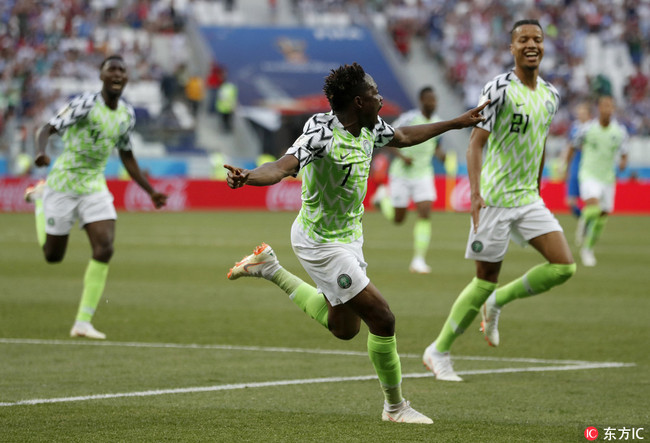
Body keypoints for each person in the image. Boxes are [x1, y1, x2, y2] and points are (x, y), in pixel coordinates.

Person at [223, 62, 488, 424]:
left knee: (344, 329)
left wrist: (456, 122)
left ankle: (270, 268)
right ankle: (395, 407)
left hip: (350, 238)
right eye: (375, 92)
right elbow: (285, 165)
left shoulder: (372, 127)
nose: (381, 97)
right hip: (320, 242)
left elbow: (406, 136)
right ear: (359, 101)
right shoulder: (321, 131)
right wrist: (250, 176)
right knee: (382, 317)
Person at [422, 20, 576, 382]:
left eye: (537, 39)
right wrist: (475, 194)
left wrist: (537, 186)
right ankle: (438, 350)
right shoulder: (499, 88)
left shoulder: (551, 95)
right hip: (494, 199)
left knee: (563, 266)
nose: (531, 44)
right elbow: (476, 142)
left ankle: (497, 304)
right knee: (484, 279)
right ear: (512, 48)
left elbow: (538, 144)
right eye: (523, 39)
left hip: (527, 198)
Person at [24, 54, 168, 339]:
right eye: (111, 70)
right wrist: (41, 152)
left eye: (121, 70)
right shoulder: (85, 104)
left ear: (127, 78)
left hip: (93, 185)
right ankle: (41, 201)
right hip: (64, 182)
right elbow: (47, 128)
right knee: (53, 256)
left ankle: (82, 322)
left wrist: (150, 191)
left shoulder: (127, 114)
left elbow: (127, 155)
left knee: (105, 247)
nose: (116, 74)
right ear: (101, 76)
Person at [372, 86, 446, 274]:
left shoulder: (438, 122)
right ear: (422, 101)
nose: (433, 103)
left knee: (425, 211)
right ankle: (383, 201)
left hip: (423, 173)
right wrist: (402, 157)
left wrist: (440, 155)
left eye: (434, 99)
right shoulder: (409, 118)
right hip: (401, 174)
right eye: (429, 99)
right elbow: (386, 137)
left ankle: (419, 260)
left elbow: (436, 145)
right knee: (399, 219)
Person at [569, 95, 628, 267]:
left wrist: (623, 162)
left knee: (602, 216)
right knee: (593, 207)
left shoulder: (619, 132)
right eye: (604, 106)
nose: (607, 109)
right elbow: (573, 145)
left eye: (610, 106)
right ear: (599, 109)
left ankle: (587, 248)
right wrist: (565, 164)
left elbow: (624, 153)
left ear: (613, 109)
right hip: (589, 174)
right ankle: (583, 222)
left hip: (607, 178)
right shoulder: (587, 129)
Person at [561, 102, 590, 218]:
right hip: (575, 163)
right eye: (579, 113)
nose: (580, 115)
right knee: (570, 201)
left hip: (588, 164)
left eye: (583, 112)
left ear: (588, 114)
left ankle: (587, 220)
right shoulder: (574, 127)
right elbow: (569, 146)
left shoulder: (592, 127)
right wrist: (563, 164)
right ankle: (584, 218)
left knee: (588, 198)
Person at [216, 68, 237, 133]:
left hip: (222, 108)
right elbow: (234, 98)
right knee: (229, 120)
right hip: (230, 108)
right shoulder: (232, 88)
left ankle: (225, 129)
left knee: (224, 120)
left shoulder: (222, 88)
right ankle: (228, 129)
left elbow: (220, 97)